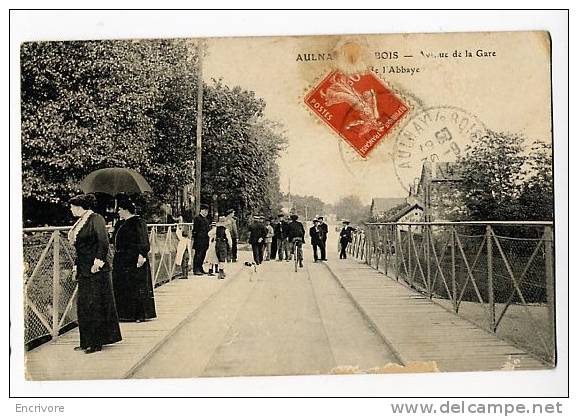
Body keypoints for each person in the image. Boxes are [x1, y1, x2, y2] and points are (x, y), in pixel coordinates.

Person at [68, 194, 121, 353]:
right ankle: (86, 341)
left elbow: (103, 241)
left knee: (95, 305)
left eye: (72, 207)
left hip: (96, 270)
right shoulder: (81, 221)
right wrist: (76, 266)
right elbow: (80, 248)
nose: (70, 210)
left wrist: (97, 262)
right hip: (84, 269)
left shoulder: (96, 219)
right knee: (84, 305)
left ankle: (96, 342)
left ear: (79, 207)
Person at [112, 196, 157, 322]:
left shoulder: (138, 222)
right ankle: (124, 314)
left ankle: (138, 314)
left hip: (133, 258)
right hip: (122, 259)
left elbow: (143, 240)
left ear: (127, 210)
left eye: (120, 209)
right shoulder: (120, 223)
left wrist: (142, 255)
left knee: (136, 285)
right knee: (122, 285)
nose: (119, 212)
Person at [192, 204, 210, 275]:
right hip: (199, 240)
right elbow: (195, 230)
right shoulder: (197, 218)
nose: (206, 212)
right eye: (205, 211)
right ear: (201, 210)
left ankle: (200, 267)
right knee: (198, 255)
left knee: (203, 254)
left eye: (207, 211)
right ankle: (196, 269)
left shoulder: (206, 220)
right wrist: (196, 238)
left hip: (205, 240)